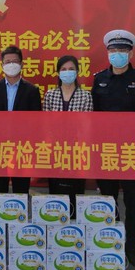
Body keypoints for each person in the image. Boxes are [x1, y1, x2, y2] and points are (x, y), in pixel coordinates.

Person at [91, 29, 135, 267]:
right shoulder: (99, 79)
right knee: (108, 199)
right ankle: (111, 241)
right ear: (108, 53)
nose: (117, 54)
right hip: (106, 151)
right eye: (113, 50)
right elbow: (92, 116)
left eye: (122, 50)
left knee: (133, 201)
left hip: (131, 152)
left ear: (130, 53)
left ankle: (131, 247)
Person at [0, 46, 42, 194]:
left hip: (22, 147)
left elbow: (36, 122)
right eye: (8, 62)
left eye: (15, 61)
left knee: (21, 188)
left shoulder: (32, 90)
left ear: (21, 64)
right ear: (2, 65)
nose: (11, 65)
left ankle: (20, 209)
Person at [43, 55, 92, 217]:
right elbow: (46, 125)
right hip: (55, 152)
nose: (67, 72)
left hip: (77, 153)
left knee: (75, 194)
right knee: (56, 194)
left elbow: (86, 127)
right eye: (63, 69)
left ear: (77, 72)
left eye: (71, 69)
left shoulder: (85, 96)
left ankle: (74, 224)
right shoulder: (50, 95)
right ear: (58, 72)